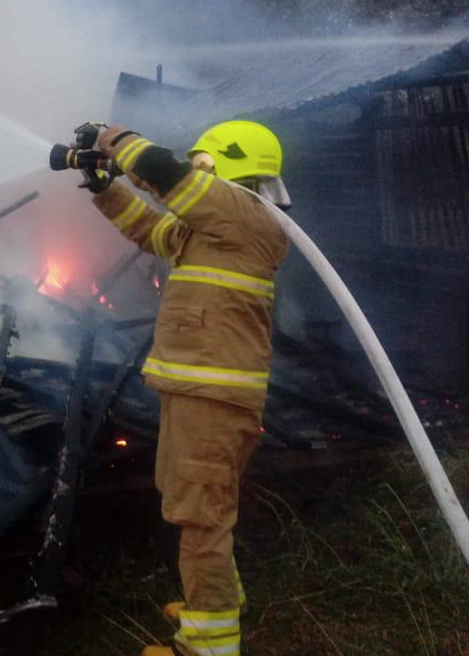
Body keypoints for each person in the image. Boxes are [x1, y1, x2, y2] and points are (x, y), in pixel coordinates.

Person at [84, 121, 291, 656]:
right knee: (197, 503)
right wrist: (103, 187)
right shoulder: (214, 229)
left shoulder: (247, 217)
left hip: (215, 395)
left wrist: (116, 139)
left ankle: (207, 644)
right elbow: (149, 229)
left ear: (227, 166)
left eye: (204, 162)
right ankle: (217, 598)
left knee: (200, 512)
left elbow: (169, 178)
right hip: (197, 389)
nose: (195, 169)